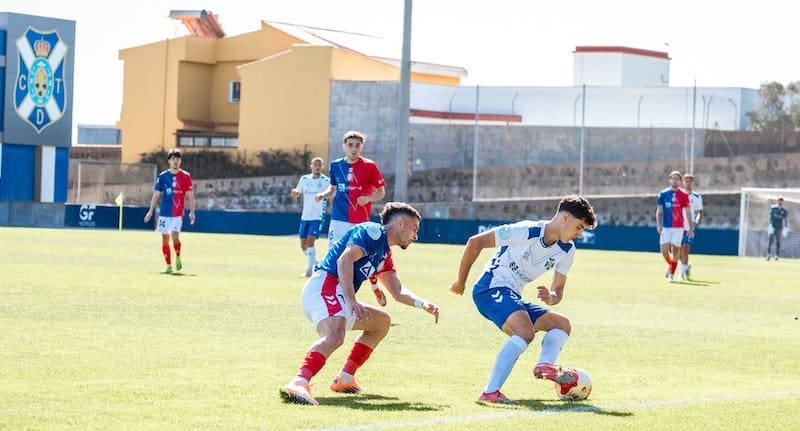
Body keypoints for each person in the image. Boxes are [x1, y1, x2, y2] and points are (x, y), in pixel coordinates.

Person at [279, 202, 439, 406]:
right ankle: (299, 382)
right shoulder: (372, 232)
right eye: (414, 229)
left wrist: (422, 303)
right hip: (324, 287)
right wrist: (351, 300)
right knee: (335, 335)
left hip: (339, 294)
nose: (415, 236)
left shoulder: (384, 254)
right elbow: (344, 261)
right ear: (400, 223)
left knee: (381, 322)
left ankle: (345, 378)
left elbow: (397, 292)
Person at [449, 195, 597, 404]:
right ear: (565, 218)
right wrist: (460, 281)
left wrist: (551, 297)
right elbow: (476, 242)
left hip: (512, 295)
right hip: (490, 288)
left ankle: (545, 365)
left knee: (562, 324)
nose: (579, 234)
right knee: (525, 332)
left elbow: (558, 292)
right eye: (579, 227)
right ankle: (490, 392)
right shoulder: (526, 231)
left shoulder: (567, 250)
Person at [316, 130, 388, 306]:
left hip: (360, 222)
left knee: (362, 258)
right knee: (334, 255)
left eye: (357, 145)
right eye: (350, 145)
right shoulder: (335, 166)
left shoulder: (370, 166)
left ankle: (374, 285)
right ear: (344, 147)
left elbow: (381, 192)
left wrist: (368, 198)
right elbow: (332, 189)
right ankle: (333, 293)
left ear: (361, 147)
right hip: (338, 219)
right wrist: (323, 194)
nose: (353, 148)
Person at [144, 148, 196, 273]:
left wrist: (192, 212)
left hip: (178, 213)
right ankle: (168, 266)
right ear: (169, 161)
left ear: (180, 161)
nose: (175, 161)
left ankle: (177, 256)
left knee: (175, 237)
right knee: (165, 239)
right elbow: (156, 194)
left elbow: (190, 196)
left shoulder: (186, 176)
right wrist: (150, 211)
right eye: (173, 159)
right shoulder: (163, 176)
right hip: (164, 214)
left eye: (177, 159)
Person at [291, 157, 331, 277]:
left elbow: (331, 193)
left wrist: (325, 197)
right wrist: (295, 193)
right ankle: (316, 263)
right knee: (303, 246)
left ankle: (309, 271)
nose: (317, 167)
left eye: (319, 165)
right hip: (305, 216)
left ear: (322, 167)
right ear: (311, 166)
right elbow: (298, 193)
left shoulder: (326, 181)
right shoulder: (304, 179)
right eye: (315, 165)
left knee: (310, 242)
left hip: (317, 216)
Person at [656, 170, 693, 282]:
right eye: (673, 178)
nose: (675, 180)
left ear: (680, 181)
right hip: (666, 227)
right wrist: (658, 225)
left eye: (677, 178)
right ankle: (671, 265)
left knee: (675, 251)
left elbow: (688, 212)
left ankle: (671, 274)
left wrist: (690, 227)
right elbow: (659, 211)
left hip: (678, 228)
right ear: (669, 180)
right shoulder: (663, 194)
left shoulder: (684, 195)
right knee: (664, 251)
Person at [678, 173, 703, 279]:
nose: (688, 183)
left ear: (692, 183)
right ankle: (686, 266)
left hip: (689, 227)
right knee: (678, 253)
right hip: (678, 226)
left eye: (690, 181)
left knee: (685, 250)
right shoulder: (678, 195)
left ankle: (681, 274)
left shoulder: (697, 196)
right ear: (683, 182)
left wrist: (696, 222)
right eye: (686, 181)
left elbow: (700, 212)